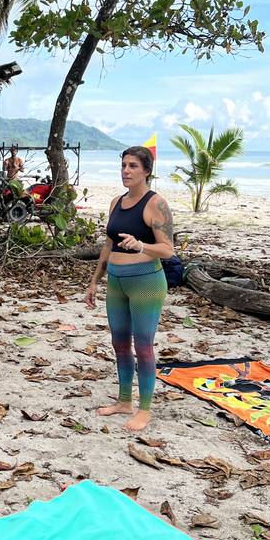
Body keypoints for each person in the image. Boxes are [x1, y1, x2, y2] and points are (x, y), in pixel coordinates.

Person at [85, 146, 174, 432]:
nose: (126, 171)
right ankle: (124, 401)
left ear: (146, 171)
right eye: (123, 165)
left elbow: (168, 250)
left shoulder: (155, 204)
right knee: (119, 343)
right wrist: (95, 280)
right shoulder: (116, 202)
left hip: (146, 281)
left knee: (144, 346)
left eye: (133, 166)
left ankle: (144, 409)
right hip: (116, 281)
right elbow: (108, 244)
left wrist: (141, 245)